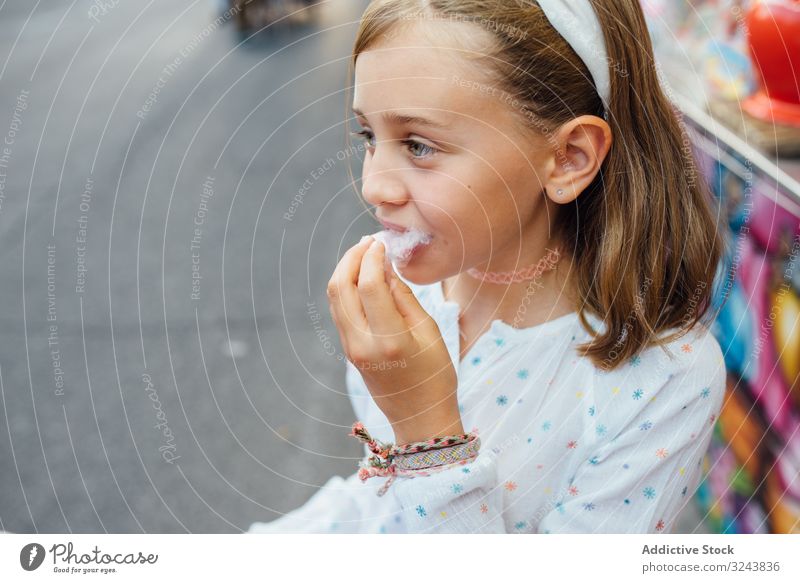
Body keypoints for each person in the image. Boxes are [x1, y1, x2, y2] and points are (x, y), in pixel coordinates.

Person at [248, 0, 727, 534]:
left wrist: (427, 432)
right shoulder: (412, 294)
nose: (374, 185)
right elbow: (379, 497)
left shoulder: (663, 383)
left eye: (419, 145)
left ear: (568, 158)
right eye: (368, 136)